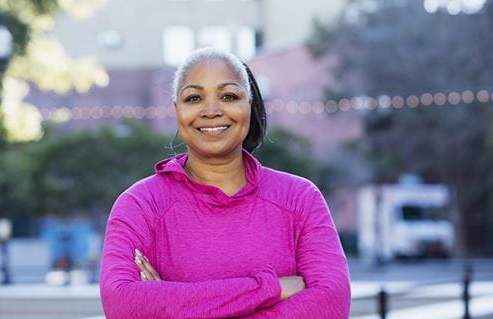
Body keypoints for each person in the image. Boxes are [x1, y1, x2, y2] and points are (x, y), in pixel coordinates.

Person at [100, 47, 351, 318]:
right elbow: (122, 303)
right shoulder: (140, 205)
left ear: (250, 105)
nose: (211, 110)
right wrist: (270, 289)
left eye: (229, 96)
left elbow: (331, 303)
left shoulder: (299, 198)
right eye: (194, 97)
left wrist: (176, 307)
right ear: (177, 110)